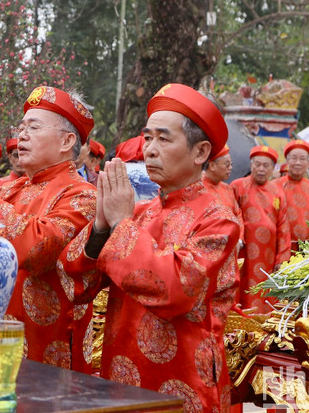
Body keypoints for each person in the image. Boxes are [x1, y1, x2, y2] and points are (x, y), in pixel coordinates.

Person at [58, 83, 239, 411]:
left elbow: (171, 291)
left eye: (164, 138)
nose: (149, 149)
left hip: (182, 383)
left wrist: (120, 224)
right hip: (121, 380)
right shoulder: (137, 213)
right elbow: (75, 284)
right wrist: (100, 226)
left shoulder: (219, 221)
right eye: (148, 137)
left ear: (200, 152)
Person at [0, 86, 97, 372]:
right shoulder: (12, 188)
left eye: (34, 127)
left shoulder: (82, 194)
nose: (22, 135)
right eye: (21, 127)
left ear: (67, 141)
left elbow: (39, 249)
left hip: (45, 341)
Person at [232, 145, 290, 312]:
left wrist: (282, 258)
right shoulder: (238, 186)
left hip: (268, 255)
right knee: (241, 289)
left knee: (264, 292)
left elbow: (283, 227)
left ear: (273, 168)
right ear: (251, 165)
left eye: (266, 165)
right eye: (257, 164)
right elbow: (231, 215)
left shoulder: (277, 192)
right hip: (244, 252)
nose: (261, 169)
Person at [273, 140, 309, 251]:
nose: (298, 162)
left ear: (308, 164)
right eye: (294, 158)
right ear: (287, 161)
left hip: (307, 249)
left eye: (302, 159)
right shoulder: (274, 186)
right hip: (279, 247)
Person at [202, 144, 244, 244]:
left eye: (231, 164)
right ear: (212, 166)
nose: (230, 168)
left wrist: (239, 240)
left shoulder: (228, 188)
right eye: (227, 164)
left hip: (232, 244)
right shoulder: (198, 188)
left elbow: (237, 214)